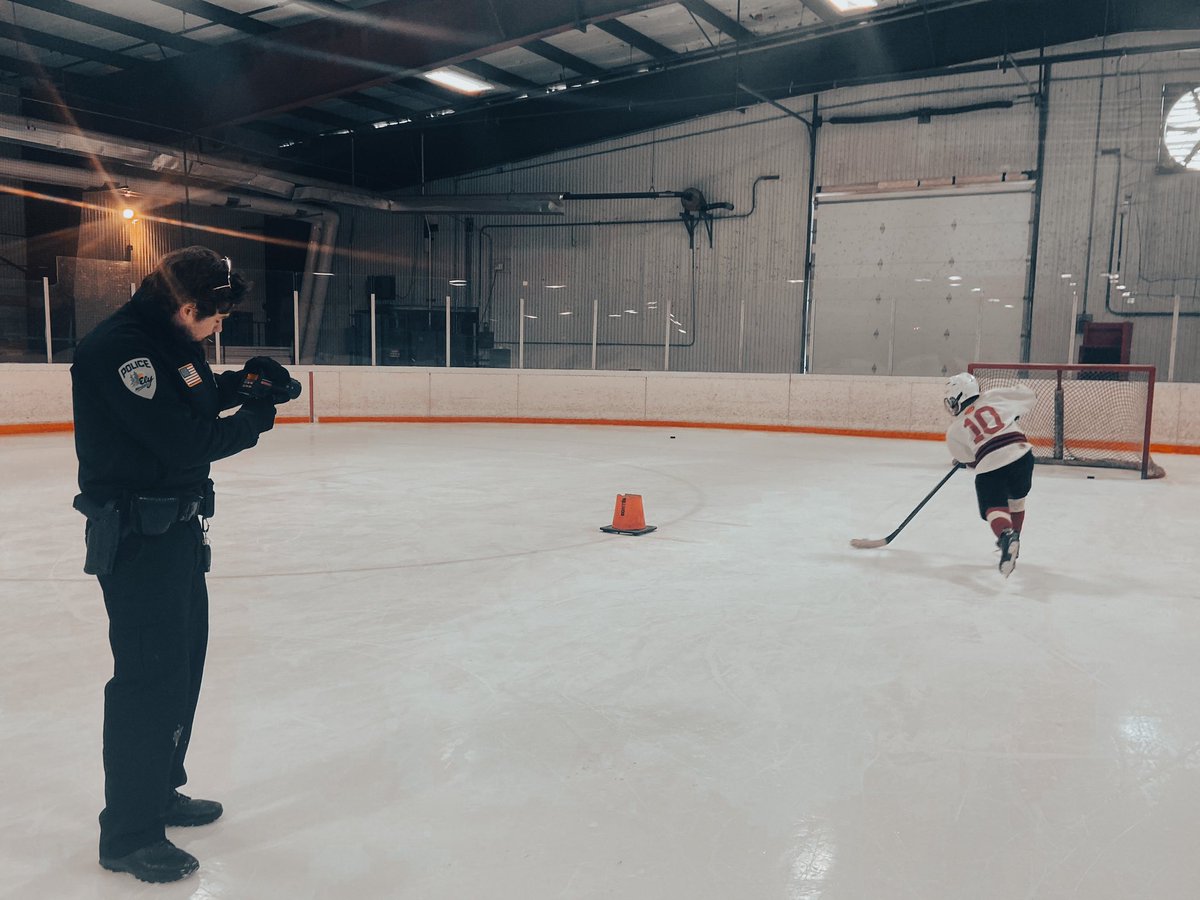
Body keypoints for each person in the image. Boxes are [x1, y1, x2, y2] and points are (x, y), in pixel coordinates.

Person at [70, 246, 296, 883]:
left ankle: (158, 792)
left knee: (183, 664)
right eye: (217, 316)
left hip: (176, 531)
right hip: (139, 539)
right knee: (148, 679)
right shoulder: (120, 351)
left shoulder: (170, 341)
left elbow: (190, 400)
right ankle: (128, 834)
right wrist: (255, 418)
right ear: (187, 306)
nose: (221, 327)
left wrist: (244, 385)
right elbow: (183, 439)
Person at [943, 372, 1036, 577]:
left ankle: (1006, 536)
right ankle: (1015, 540)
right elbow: (1028, 395)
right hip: (1022, 454)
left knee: (994, 508)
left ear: (956, 398)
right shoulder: (995, 396)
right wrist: (1012, 411)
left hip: (992, 461)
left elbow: (970, 461)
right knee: (1017, 502)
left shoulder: (955, 430)